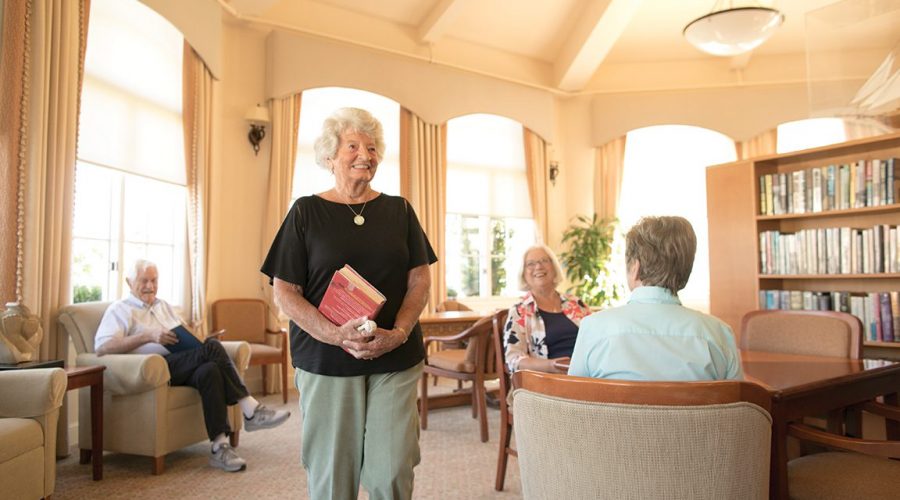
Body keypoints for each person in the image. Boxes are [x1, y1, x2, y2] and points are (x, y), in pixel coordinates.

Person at [261, 107, 437, 500]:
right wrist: (335, 335)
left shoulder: (400, 210)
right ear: (329, 156)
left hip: (395, 351)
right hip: (327, 358)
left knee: (392, 468)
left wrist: (401, 332)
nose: (365, 154)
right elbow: (285, 292)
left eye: (372, 147)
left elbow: (420, 277)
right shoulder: (305, 211)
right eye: (353, 145)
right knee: (332, 473)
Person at [95, 259, 290, 473]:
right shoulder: (120, 310)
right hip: (155, 369)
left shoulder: (163, 306)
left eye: (154, 280)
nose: (150, 286)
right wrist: (148, 336)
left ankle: (220, 446)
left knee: (210, 370)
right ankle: (250, 409)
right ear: (129, 282)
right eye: (144, 281)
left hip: (182, 361)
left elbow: (184, 333)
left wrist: (194, 338)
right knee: (213, 347)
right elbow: (103, 346)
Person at [568, 216, 743, 381]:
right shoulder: (719, 333)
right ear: (686, 270)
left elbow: (572, 400)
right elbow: (737, 407)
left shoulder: (594, 327)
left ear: (635, 267)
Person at [503, 244, 592, 373]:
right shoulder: (519, 311)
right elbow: (514, 360)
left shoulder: (576, 303)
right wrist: (551, 366)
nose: (538, 266)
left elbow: (597, 338)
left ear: (554, 267)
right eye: (530, 264)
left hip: (585, 373)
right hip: (547, 379)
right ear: (523, 273)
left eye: (544, 261)